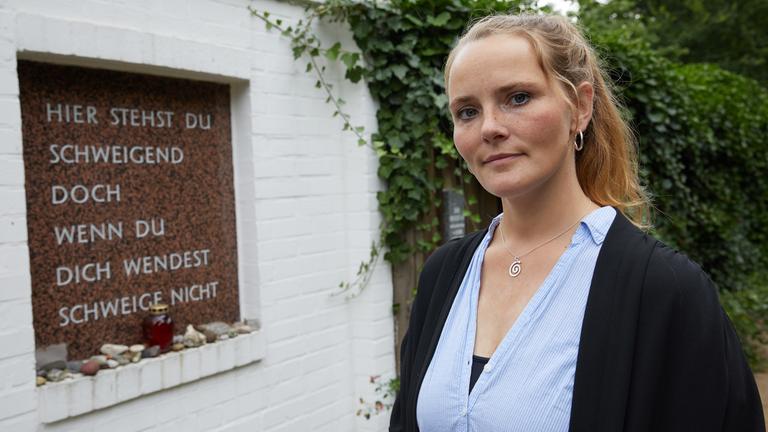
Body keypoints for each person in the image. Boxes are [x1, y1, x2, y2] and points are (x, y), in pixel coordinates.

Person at [389, 13, 765, 432]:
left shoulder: (665, 289)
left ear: (580, 107)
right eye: (467, 111)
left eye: (518, 98)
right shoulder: (444, 274)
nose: (489, 128)